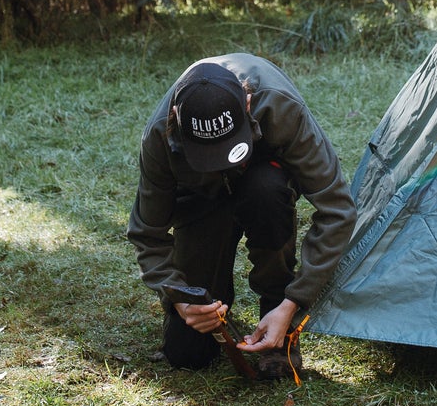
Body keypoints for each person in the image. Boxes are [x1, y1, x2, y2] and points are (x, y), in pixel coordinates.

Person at [127, 53, 358, 377]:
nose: (224, 163)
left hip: (264, 184)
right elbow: (146, 234)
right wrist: (181, 299)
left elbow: (338, 210)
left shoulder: (280, 107)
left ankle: (276, 315)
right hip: (201, 196)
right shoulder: (159, 137)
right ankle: (207, 308)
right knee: (188, 353)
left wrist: (292, 304)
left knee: (266, 191)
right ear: (177, 119)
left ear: (247, 103)